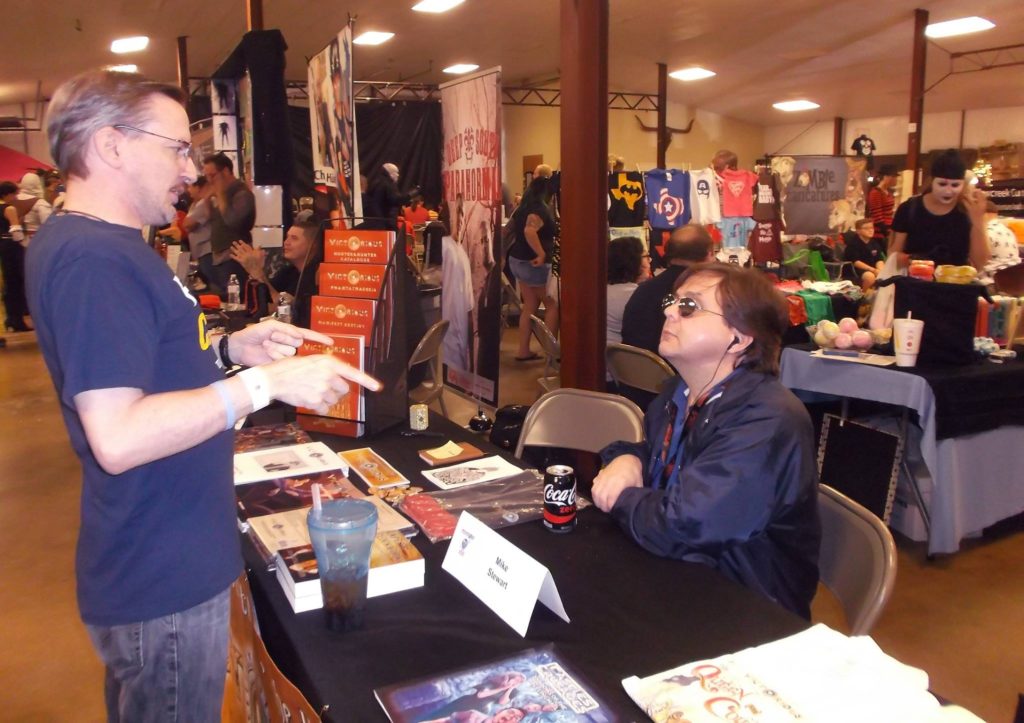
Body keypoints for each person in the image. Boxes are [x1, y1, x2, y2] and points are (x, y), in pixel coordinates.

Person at [25, 70, 382, 721]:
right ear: (111, 145)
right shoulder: (95, 261)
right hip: (162, 569)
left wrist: (228, 351)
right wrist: (263, 383)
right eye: (175, 148)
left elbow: (136, 363)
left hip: (158, 551)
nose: (190, 170)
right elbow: (119, 434)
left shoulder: (93, 246)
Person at [592, 263, 820, 618]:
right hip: (678, 579)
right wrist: (626, 458)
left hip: (748, 611)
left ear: (740, 338)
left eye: (689, 306)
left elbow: (682, 527)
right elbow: (660, 459)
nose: (668, 310)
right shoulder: (679, 394)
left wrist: (621, 496)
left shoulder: (766, 420)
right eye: (674, 301)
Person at [621, 223, 713, 355]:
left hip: (635, 371)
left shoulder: (644, 290)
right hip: (680, 369)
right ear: (709, 254)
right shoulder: (705, 292)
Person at [889, 150, 988, 269]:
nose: (948, 191)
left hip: (955, 284)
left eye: (955, 185)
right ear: (932, 181)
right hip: (916, 283)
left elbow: (981, 263)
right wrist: (917, 261)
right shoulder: (909, 209)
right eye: (942, 184)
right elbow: (892, 256)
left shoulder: (967, 210)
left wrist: (978, 220)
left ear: (963, 184)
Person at [230, 220, 322, 327]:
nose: (286, 242)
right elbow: (265, 304)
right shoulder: (288, 272)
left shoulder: (318, 274)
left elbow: (286, 308)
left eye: (294, 238)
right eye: (287, 237)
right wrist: (254, 272)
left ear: (313, 245)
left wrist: (257, 273)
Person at [507, 175, 558, 361]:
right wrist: (541, 253)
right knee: (553, 304)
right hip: (534, 263)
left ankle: (523, 350)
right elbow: (530, 230)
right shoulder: (540, 209)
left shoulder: (522, 208)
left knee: (529, 305)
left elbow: (509, 230)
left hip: (517, 259)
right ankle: (551, 353)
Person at [203, 151, 255, 293]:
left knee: (236, 298)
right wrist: (207, 200)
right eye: (206, 176)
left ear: (225, 171)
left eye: (212, 175)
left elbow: (232, 221)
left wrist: (219, 195)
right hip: (220, 256)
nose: (209, 180)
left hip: (234, 257)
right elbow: (211, 219)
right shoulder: (223, 194)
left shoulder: (241, 193)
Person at [606, 236, 649, 345]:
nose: (649, 261)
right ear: (636, 262)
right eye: (646, 256)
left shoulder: (600, 291)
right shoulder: (637, 295)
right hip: (625, 358)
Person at [0, 180, 31, 331]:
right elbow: (16, 232)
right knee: (17, 282)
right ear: (7, 194)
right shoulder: (10, 208)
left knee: (9, 282)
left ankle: (11, 318)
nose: (16, 196)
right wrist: (25, 244)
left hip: (3, 245)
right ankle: (17, 319)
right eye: (14, 193)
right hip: (12, 246)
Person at [980, 199, 1021, 285]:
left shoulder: (986, 233)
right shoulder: (1009, 231)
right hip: (1014, 282)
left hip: (991, 284)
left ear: (983, 214)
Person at [182, 176, 214, 285]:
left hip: (207, 252)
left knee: (211, 283)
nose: (188, 190)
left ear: (198, 187)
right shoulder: (194, 205)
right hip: (200, 253)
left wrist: (188, 223)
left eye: (190, 187)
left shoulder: (203, 204)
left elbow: (187, 224)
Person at [363, 162, 411, 231]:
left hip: (375, 221)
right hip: (386, 222)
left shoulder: (375, 182)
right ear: (390, 173)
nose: (398, 175)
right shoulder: (388, 184)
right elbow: (395, 200)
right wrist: (410, 195)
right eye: (396, 172)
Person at [841, 218, 886, 290]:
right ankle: (863, 297)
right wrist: (874, 270)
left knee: (885, 275)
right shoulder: (853, 244)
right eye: (866, 228)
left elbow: (879, 259)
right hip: (856, 270)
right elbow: (856, 262)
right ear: (858, 231)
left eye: (871, 228)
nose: (870, 230)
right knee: (870, 277)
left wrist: (881, 270)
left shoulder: (874, 243)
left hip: (872, 268)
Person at [866, 164, 898, 244]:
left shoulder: (888, 192)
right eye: (894, 176)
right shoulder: (876, 192)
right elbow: (877, 216)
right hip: (880, 233)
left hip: (889, 228)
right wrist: (886, 233)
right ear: (886, 177)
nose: (896, 179)